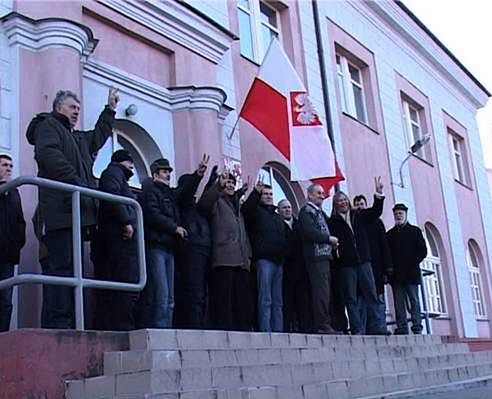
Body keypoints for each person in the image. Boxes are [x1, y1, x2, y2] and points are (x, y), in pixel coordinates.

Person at [26, 87, 119, 329]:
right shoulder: (48, 126)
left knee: (73, 272)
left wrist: (109, 109)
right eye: (72, 107)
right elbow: (49, 156)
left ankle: (68, 324)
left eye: (78, 108)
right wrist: (77, 182)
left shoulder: (76, 138)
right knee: (62, 271)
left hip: (77, 216)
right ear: (59, 108)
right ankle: (58, 327)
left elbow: (98, 135)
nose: (76, 112)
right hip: (60, 214)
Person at [138, 155, 208, 328]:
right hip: (156, 247)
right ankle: (160, 331)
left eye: (169, 171)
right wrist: (173, 227)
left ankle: (166, 330)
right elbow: (153, 215)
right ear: (155, 174)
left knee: (169, 297)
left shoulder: (169, 193)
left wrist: (198, 175)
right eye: (164, 171)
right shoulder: (150, 191)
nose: (168, 174)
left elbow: (185, 191)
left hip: (169, 248)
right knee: (161, 293)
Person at [328, 177, 387, 335]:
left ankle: (378, 327)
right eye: (339, 201)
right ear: (335, 204)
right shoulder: (332, 222)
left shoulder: (358, 215)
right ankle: (357, 329)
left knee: (372, 295)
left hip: (363, 262)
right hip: (346, 264)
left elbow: (376, 211)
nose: (343, 202)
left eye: (345, 199)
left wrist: (379, 193)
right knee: (351, 298)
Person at [198, 170, 253, 331]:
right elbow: (203, 204)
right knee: (224, 298)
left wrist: (248, 255)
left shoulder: (237, 205)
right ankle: (225, 329)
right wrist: (217, 185)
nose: (230, 185)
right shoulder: (217, 200)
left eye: (232, 183)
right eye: (227, 182)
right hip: (224, 258)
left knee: (242, 299)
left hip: (242, 260)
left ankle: (242, 329)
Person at [97, 149, 138, 331]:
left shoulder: (118, 176)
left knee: (124, 284)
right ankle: (121, 327)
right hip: (118, 237)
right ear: (122, 161)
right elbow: (112, 196)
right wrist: (126, 222)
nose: (132, 165)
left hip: (119, 238)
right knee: (123, 283)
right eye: (130, 161)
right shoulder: (113, 173)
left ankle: (121, 324)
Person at [242, 182, 289, 332]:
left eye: (270, 194)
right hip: (264, 261)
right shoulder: (255, 212)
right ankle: (266, 331)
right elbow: (246, 209)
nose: (268, 196)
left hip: (278, 262)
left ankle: (278, 331)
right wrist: (255, 192)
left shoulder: (276, 217)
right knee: (266, 299)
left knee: (278, 301)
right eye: (265, 194)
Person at [174, 163, 212, 329]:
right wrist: (198, 176)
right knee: (193, 292)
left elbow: (207, 198)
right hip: (191, 251)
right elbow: (187, 191)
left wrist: (213, 181)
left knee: (202, 292)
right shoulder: (181, 201)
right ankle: (194, 326)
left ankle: (200, 324)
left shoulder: (195, 207)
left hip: (203, 250)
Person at [297, 184, 339, 334]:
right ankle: (322, 324)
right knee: (321, 291)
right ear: (310, 195)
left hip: (324, 256)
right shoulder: (306, 211)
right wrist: (328, 239)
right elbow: (309, 232)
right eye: (319, 193)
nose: (322, 195)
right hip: (316, 257)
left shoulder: (318, 212)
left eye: (322, 193)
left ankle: (326, 323)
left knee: (326, 291)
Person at [353, 194, 393, 334]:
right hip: (362, 264)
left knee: (378, 298)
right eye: (357, 204)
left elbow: (384, 245)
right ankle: (364, 329)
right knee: (361, 299)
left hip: (376, 266)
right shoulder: (353, 221)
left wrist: (387, 268)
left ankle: (380, 326)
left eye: (361, 203)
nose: (359, 206)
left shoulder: (376, 222)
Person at [386, 203, 427, 335]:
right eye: (396, 214)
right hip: (396, 275)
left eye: (400, 213)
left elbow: (423, 251)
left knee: (414, 301)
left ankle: (417, 326)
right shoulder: (390, 234)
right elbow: (387, 254)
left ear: (405, 214)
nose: (398, 216)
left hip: (411, 273)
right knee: (399, 304)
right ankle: (402, 327)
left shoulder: (415, 231)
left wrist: (412, 262)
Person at [278, 199, 313, 333]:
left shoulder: (299, 225)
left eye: (289, 207)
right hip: (286, 269)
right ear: (279, 211)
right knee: (288, 302)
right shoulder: (278, 225)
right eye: (284, 208)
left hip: (302, 269)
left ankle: (306, 328)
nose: (287, 210)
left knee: (303, 301)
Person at [0, 154, 26, 332]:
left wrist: (17, 243)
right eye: (4, 165)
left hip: (8, 255)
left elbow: (20, 221)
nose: (9, 168)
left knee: (5, 300)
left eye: (11, 165)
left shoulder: (14, 191)